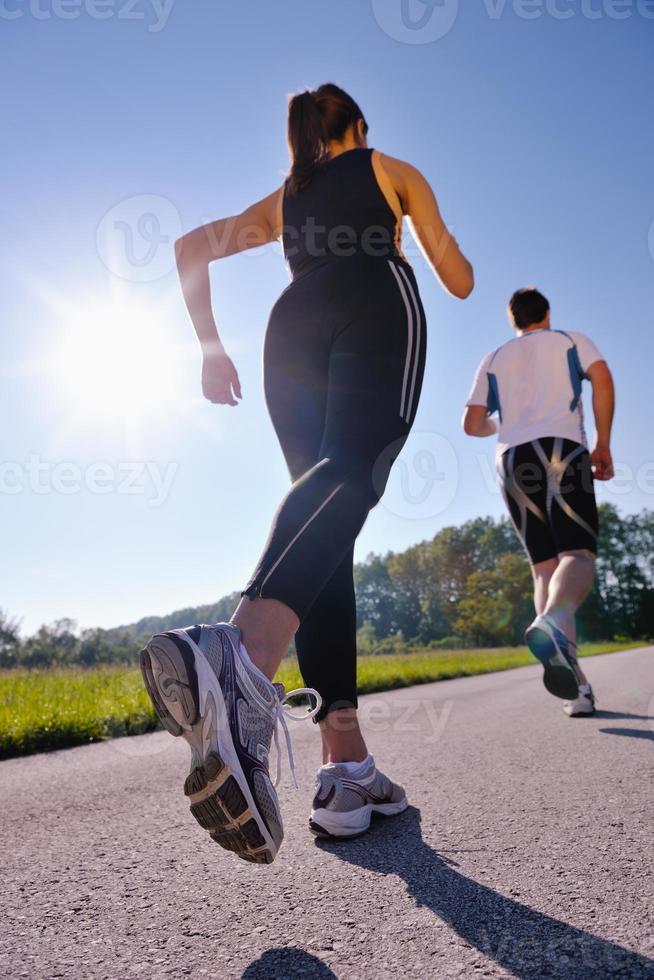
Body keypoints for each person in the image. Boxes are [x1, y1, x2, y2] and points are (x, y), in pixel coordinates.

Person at [140, 83, 473, 864]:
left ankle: (344, 767)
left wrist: (209, 347)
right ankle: (243, 658)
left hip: (285, 331)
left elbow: (190, 247)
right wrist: (424, 234)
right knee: (353, 476)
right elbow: (457, 279)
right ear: (357, 126)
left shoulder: (286, 201)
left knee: (328, 535)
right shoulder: (389, 167)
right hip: (372, 299)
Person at [462, 287, 615, 718]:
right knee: (577, 553)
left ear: (513, 320)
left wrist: (506, 423)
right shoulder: (570, 340)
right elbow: (602, 377)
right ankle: (555, 623)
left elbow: (471, 423)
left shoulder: (494, 357)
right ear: (546, 313)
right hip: (562, 449)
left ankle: (577, 690)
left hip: (512, 459)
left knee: (544, 567)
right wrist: (604, 443)